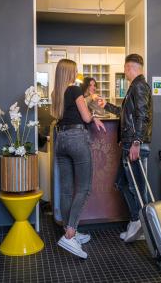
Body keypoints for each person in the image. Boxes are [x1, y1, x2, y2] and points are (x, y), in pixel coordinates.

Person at [51, 59, 106, 259]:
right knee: (83, 188)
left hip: (61, 140)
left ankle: (68, 229)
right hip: (76, 138)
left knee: (66, 190)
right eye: (74, 70)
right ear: (70, 72)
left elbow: (59, 116)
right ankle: (70, 233)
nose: (77, 73)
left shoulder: (56, 93)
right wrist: (94, 115)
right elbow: (85, 117)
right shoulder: (74, 90)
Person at [98, 53, 153, 243]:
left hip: (134, 145)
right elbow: (126, 113)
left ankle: (142, 224)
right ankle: (136, 220)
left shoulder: (139, 86)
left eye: (125, 68)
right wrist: (107, 106)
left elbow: (143, 116)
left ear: (130, 67)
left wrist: (136, 142)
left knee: (137, 187)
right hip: (129, 144)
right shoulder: (135, 87)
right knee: (122, 184)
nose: (124, 71)